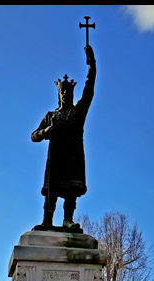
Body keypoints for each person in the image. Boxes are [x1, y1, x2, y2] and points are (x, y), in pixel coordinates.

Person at [31, 44, 96, 230]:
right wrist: (45, 132)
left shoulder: (78, 113)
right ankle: (47, 221)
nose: (66, 94)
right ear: (59, 95)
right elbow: (33, 136)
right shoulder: (51, 115)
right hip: (56, 159)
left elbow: (89, 90)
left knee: (70, 190)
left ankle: (68, 219)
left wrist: (92, 65)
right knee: (52, 190)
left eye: (69, 92)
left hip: (72, 159)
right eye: (63, 92)